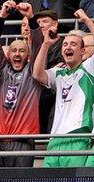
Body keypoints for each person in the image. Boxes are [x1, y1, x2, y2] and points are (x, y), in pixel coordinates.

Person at [0, 2, 45, 168]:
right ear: (8, 54)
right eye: (14, 50)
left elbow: (38, 43)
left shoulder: (33, 72)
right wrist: (2, 16)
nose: (17, 54)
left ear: (27, 56)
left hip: (23, 142)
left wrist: (31, 17)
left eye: (22, 51)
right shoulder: (2, 69)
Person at [33, 9, 94, 167]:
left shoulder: (88, 68)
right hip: (55, 138)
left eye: (73, 44)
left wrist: (87, 20)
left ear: (82, 51)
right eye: (65, 44)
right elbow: (37, 74)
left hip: (78, 135)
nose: (68, 47)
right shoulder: (58, 72)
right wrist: (46, 44)